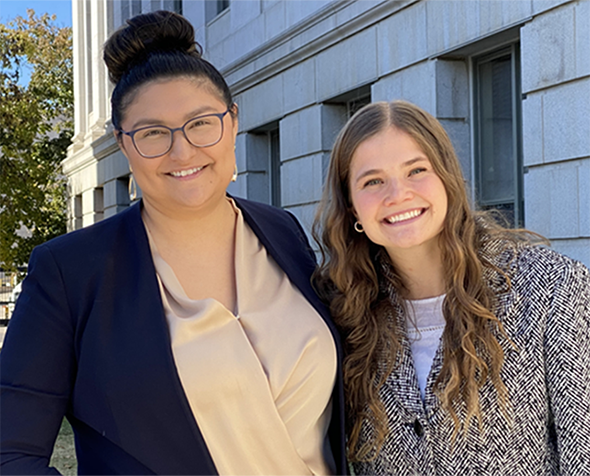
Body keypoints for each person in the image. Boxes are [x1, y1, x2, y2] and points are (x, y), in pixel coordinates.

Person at [0, 11, 347, 476]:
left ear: (233, 122)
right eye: (152, 133)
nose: (182, 151)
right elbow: (11, 451)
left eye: (201, 123)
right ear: (124, 145)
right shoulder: (71, 271)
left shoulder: (281, 231)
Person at [313, 99, 590, 475]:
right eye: (373, 181)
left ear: (447, 177)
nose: (398, 194)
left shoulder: (550, 286)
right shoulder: (341, 313)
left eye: (416, 170)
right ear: (351, 209)